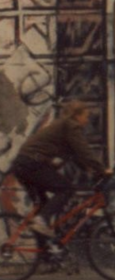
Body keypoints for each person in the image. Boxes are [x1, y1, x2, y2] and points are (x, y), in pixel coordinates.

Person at [10, 100, 108, 240]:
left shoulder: (63, 126)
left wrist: (91, 171)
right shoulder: (71, 125)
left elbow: (76, 156)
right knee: (66, 189)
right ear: (76, 115)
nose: (86, 121)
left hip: (23, 164)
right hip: (32, 164)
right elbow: (84, 151)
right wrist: (103, 170)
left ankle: (46, 252)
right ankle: (40, 221)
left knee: (43, 208)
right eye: (85, 117)